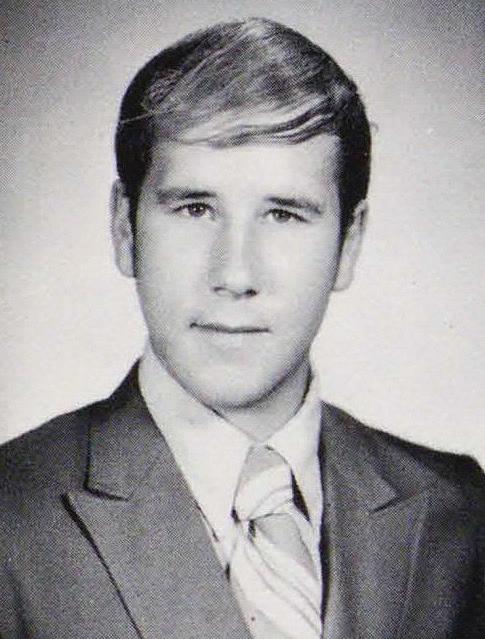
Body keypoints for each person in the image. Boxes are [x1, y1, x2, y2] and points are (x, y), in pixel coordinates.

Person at [0, 17, 483, 639]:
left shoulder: (459, 514)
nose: (235, 274)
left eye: (284, 215)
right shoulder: (12, 517)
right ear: (125, 230)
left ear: (349, 244)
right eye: (195, 208)